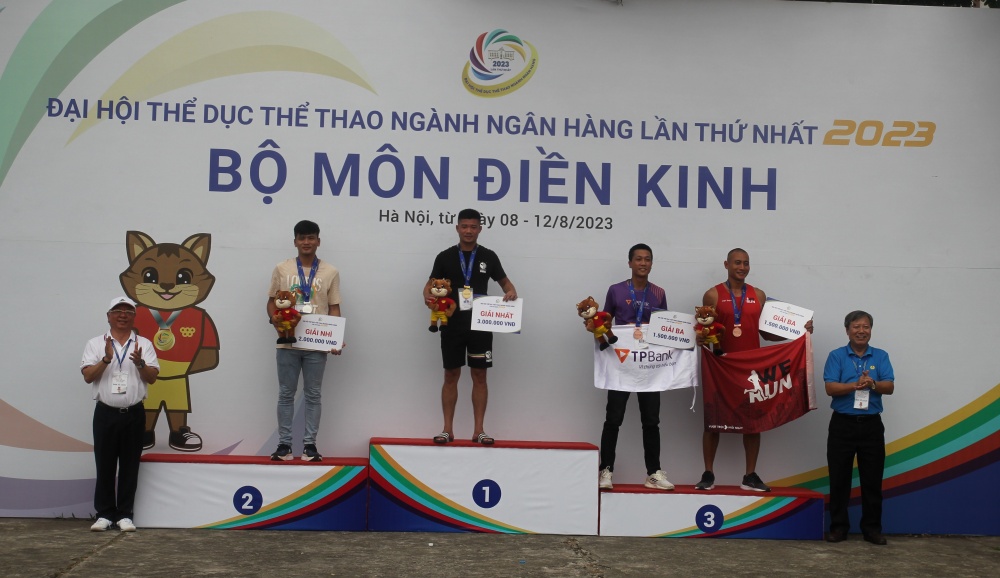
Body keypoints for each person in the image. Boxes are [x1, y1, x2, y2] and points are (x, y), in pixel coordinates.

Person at [695, 248, 813, 492]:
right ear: (726, 264)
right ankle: (708, 473)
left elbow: (766, 333)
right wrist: (701, 339)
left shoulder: (758, 295)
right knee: (713, 419)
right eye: (737, 262)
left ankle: (750, 475)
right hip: (722, 366)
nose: (742, 267)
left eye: (746, 263)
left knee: (753, 421)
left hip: (751, 368)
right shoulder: (712, 294)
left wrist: (799, 330)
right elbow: (705, 328)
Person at [423, 208, 517, 445]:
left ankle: (479, 431)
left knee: (480, 376)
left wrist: (511, 292)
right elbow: (428, 287)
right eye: (464, 226)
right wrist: (428, 298)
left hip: (481, 325)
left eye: (473, 227)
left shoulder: (488, 256)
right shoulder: (445, 256)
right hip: (452, 324)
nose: (468, 231)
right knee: (450, 375)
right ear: (457, 228)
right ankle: (447, 430)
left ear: (480, 229)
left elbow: (506, 284)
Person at [597, 243, 674, 491]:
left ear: (651, 263)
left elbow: (663, 329)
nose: (643, 263)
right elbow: (603, 322)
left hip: (649, 366)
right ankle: (606, 470)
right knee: (613, 418)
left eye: (647, 259)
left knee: (651, 420)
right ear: (630, 263)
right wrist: (596, 330)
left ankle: (653, 473)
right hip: (622, 364)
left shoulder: (659, 293)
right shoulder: (616, 290)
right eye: (638, 259)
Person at [80, 296, 160, 532]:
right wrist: (106, 359)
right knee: (104, 465)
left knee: (129, 466)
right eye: (117, 311)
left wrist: (140, 363)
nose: (123, 315)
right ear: (109, 316)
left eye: (128, 311)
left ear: (134, 317)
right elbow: (88, 376)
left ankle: (125, 514)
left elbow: (152, 378)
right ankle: (104, 514)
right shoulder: (95, 343)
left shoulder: (144, 344)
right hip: (105, 413)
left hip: (134, 414)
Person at [267, 220, 343, 462]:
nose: (306, 242)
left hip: (316, 344)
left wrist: (335, 338)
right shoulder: (282, 268)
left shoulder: (330, 271)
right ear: (295, 242)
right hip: (287, 342)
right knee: (285, 394)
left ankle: (310, 445)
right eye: (302, 238)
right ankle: (284, 445)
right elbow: (272, 301)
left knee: (313, 395)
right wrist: (276, 322)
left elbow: (334, 307)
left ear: (318, 241)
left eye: (311, 238)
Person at [823, 311, 894, 545]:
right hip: (842, 425)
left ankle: (872, 529)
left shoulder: (881, 356)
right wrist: (855, 385)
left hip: (871, 425)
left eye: (865, 327)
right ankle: (838, 528)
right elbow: (830, 388)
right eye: (856, 327)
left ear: (871, 330)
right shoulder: (836, 356)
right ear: (847, 330)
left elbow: (889, 386)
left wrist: (872, 383)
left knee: (872, 480)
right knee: (839, 479)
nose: (861, 331)